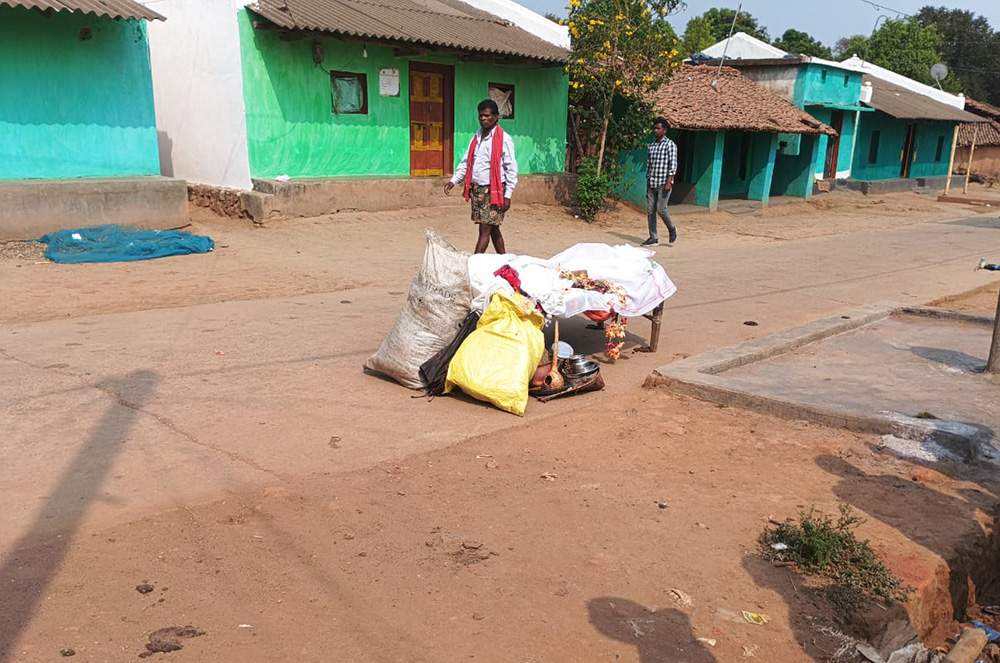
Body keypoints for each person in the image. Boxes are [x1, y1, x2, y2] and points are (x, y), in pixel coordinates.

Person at [444, 99, 518, 254]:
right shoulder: (476, 138)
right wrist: (453, 181)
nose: (483, 119)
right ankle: (505, 262)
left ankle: (473, 265)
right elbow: (467, 162)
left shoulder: (504, 139)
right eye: (481, 116)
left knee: (485, 230)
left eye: (487, 115)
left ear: (496, 117)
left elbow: (511, 168)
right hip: (477, 191)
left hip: (494, 192)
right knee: (493, 229)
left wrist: (508, 195)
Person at [642, 116, 678, 247]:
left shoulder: (670, 145)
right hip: (651, 182)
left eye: (658, 128)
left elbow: (673, 165)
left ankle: (672, 229)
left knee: (661, 209)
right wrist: (647, 181)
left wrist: (669, 181)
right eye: (654, 128)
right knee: (650, 211)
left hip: (664, 183)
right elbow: (649, 165)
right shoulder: (651, 146)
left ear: (664, 131)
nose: (655, 130)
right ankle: (653, 237)